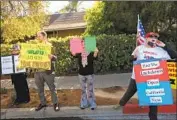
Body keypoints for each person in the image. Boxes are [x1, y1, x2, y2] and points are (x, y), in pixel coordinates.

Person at [114, 32, 177, 120]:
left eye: (155, 37)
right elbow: (132, 59)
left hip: (152, 80)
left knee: (153, 99)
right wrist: (133, 57)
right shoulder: (139, 48)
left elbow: (174, 56)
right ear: (146, 39)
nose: (153, 38)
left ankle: (153, 118)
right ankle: (121, 104)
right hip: (137, 77)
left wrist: (165, 46)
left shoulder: (161, 51)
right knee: (129, 92)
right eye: (151, 36)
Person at [32, 31, 59, 111]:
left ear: (44, 37)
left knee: (52, 88)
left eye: (39, 36)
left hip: (48, 72)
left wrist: (52, 57)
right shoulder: (35, 47)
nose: (38, 38)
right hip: (37, 72)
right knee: (40, 89)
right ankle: (43, 103)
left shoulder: (49, 46)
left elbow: (56, 58)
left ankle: (55, 103)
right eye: (37, 36)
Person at [71, 40, 99, 110]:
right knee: (83, 90)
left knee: (90, 89)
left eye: (85, 44)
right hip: (81, 74)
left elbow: (95, 57)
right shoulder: (79, 53)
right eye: (82, 45)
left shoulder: (91, 52)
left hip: (90, 74)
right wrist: (72, 49)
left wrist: (96, 51)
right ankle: (84, 103)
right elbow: (73, 54)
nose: (83, 46)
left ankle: (92, 103)